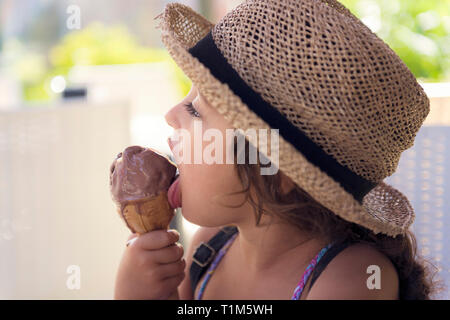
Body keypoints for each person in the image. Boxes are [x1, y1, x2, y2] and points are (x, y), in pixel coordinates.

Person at [114, 0, 442, 300]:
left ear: (277, 168)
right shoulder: (209, 248)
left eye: (198, 111)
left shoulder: (351, 280)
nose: (172, 113)